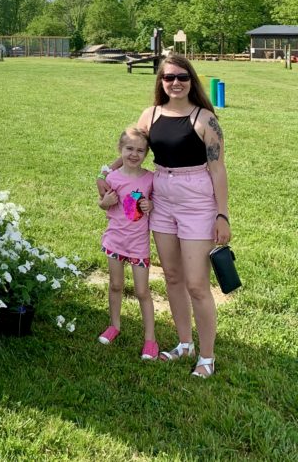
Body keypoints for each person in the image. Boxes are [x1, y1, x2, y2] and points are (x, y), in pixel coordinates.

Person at [98, 54, 230, 378]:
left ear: (191, 80)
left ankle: (207, 357)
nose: (175, 83)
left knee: (198, 284)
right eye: (168, 77)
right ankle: (184, 343)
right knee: (172, 276)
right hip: (160, 196)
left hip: (196, 199)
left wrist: (222, 215)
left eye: (182, 77)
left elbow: (218, 167)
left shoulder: (205, 119)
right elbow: (132, 147)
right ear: (161, 81)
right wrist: (106, 172)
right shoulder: (151, 114)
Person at [97, 127, 157, 360]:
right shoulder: (112, 178)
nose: (134, 154)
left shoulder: (150, 179)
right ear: (120, 149)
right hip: (115, 241)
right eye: (129, 148)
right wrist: (106, 202)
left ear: (146, 153)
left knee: (142, 290)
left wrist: (150, 205)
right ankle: (114, 325)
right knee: (115, 284)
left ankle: (150, 339)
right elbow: (103, 204)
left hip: (138, 244)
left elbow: (154, 204)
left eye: (140, 150)